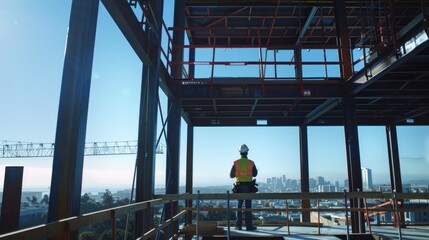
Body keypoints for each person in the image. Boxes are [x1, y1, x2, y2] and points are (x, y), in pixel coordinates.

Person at [229, 144, 258, 231]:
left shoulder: (236, 163)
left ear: (240, 152)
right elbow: (255, 174)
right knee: (248, 207)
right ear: (247, 152)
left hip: (239, 187)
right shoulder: (251, 163)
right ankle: (249, 226)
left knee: (239, 206)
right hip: (249, 187)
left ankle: (238, 226)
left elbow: (231, 175)